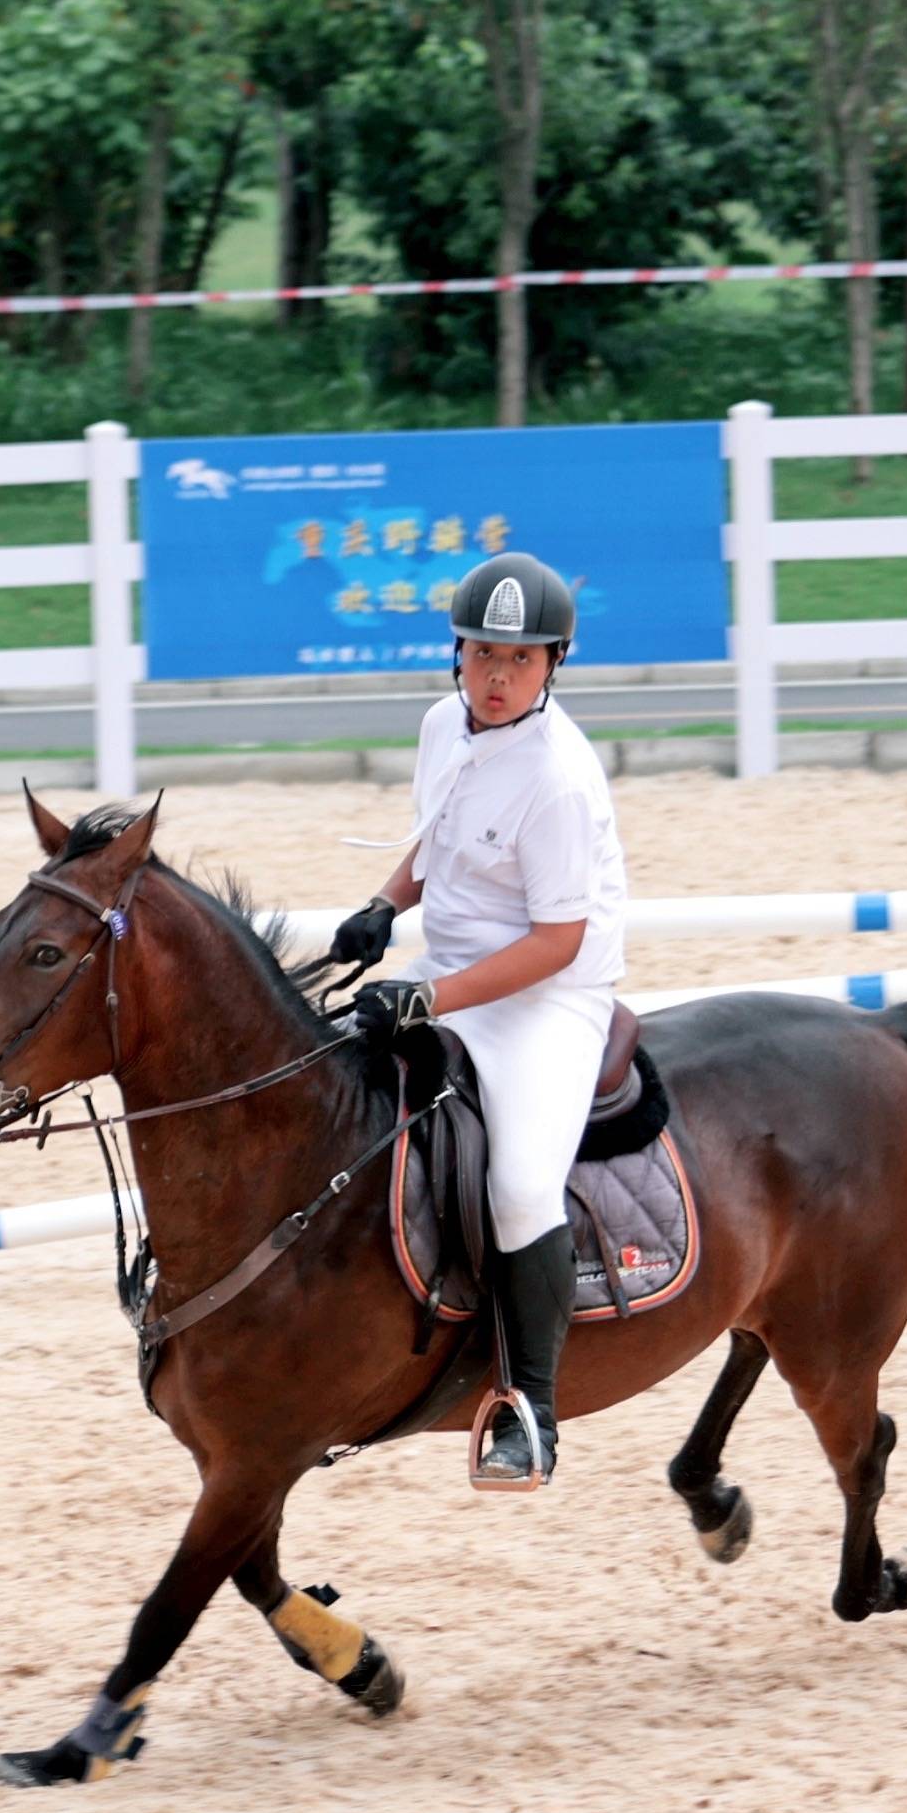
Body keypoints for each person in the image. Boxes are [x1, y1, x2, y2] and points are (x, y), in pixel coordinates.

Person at [332, 553, 626, 1489]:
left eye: (522, 660)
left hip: (546, 998)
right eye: (484, 655)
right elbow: (442, 828)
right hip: (450, 966)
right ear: (456, 650)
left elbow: (559, 940)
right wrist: (386, 904)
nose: (498, 678)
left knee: (521, 1189)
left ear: (555, 663)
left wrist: (430, 998)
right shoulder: (439, 723)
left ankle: (529, 1411)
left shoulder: (561, 777)